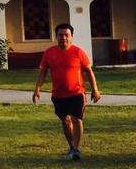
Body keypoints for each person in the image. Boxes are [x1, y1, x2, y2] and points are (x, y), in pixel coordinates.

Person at [32, 23, 101, 161]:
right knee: (65, 121)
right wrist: (37, 89)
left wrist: (95, 89)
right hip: (58, 95)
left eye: (66, 35)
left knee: (77, 119)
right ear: (56, 37)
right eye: (60, 35)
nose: (63, 37)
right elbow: (43, 72)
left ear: (71, 37)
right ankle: (71, 147)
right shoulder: (49, 53)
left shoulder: (78, 52)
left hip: (77, 93)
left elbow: (89, 71)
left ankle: (76, 150)